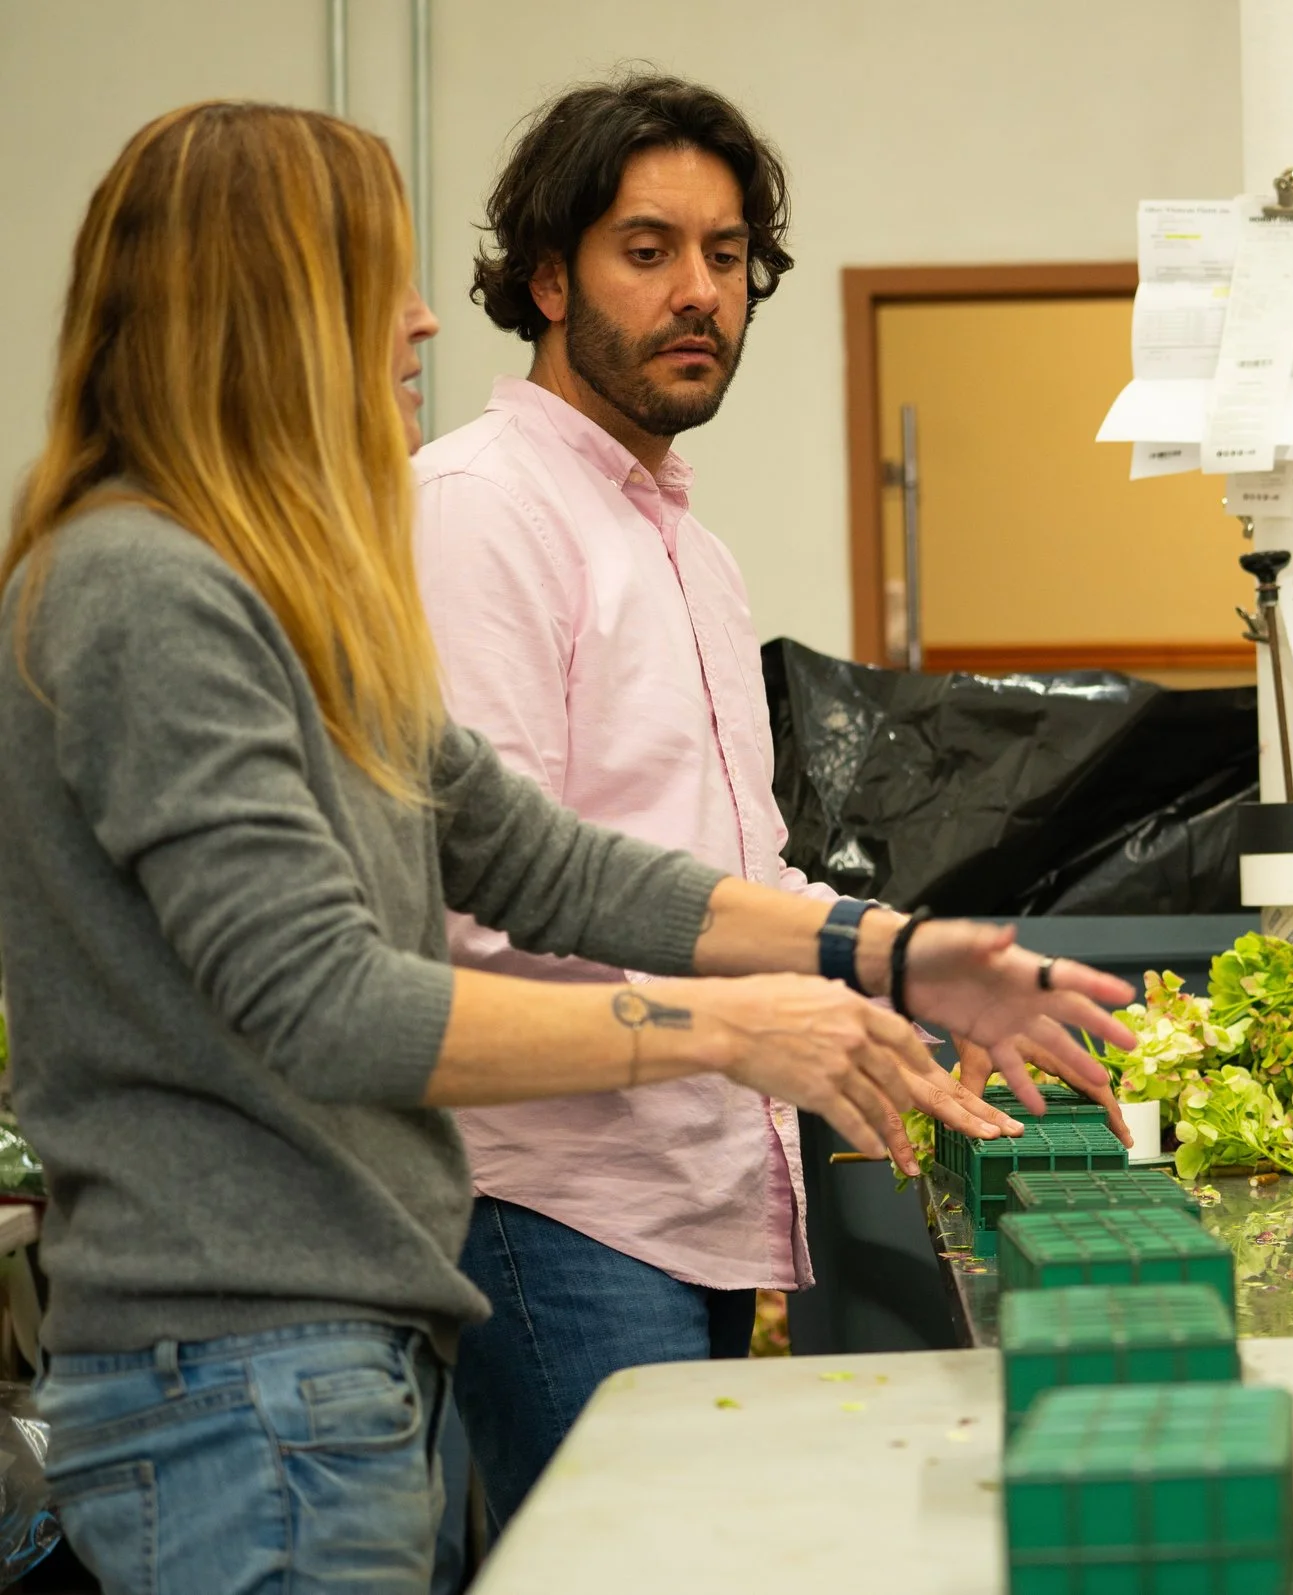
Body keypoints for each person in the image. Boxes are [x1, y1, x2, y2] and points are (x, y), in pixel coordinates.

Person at [0, 101, 1135, 1595]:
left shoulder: (268, 591)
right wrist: (738, 1026)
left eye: (726, 255)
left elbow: (550, 862)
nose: (416, 319)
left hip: (318, 1349)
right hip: (244, 1357)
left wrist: (892, 953)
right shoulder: (149, 588)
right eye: (371, 280)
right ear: (261, 309)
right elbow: (330, 996)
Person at [408, 75, 1127, 1528]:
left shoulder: (689, 548)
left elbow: (736, 870)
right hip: (555, 1200)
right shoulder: (480, 507)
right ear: (548, 276)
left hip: (701, 1185)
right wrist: (763, 1019)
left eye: (728, 258)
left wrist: (924, 966)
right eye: (648, 248)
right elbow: (478, 904)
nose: (699, 294)